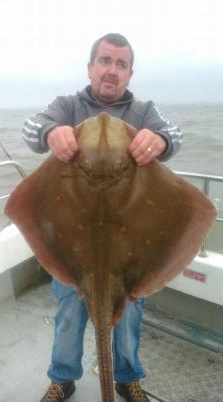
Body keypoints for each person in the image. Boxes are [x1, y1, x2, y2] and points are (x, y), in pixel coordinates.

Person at [23, 33, 183, 402]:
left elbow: (175, 134)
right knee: (69, 314)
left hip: (128, 247)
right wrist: (51, 132)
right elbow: (30, 128)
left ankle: (127, 378)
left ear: (129, 74)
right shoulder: (66, 105)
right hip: (71, 245)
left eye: (121, 64)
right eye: (105, 61)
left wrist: (161, 140)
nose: (112, 70)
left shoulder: (144, 112)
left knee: (128, 318)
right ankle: (63, 377)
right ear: (90, 67)